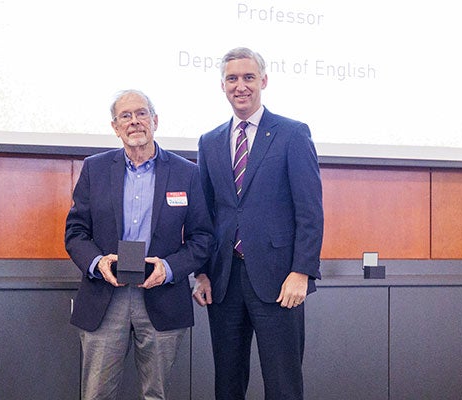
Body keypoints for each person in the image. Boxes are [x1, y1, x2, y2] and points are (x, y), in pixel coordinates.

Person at [193, 47, 324, 400]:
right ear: (222, 85)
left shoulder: (292, 134)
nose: (241, 86)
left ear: (263, 81)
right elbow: (205, 215)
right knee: (228, 385)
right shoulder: (209, 141)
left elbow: (310, 211)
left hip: (280, 280)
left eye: (248, 77)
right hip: (224, 282)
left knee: (283, 385)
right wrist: (202, 273)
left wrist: (302, 271)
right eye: (232, 78)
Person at [65, 89, 213, 400]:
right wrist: (97, 263)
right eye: (125, 116)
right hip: (106, 297)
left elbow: (203, 238)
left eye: (141, 113)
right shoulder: (95, 168)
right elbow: (76, 232)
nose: (135, 121)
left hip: (162, 296)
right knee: (96, 395)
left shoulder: (187, 172)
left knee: (155, 395)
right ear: (115, 127)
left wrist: (170, 268)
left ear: (155, 121)